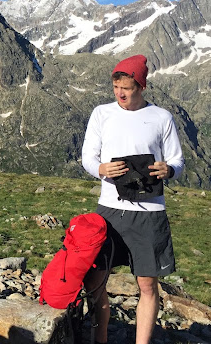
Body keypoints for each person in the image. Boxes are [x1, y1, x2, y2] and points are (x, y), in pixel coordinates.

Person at [81, 54, 185, 344]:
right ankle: (100, 339)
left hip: (149, 212)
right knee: (95, 280)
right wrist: (101, 169)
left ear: (141, 86)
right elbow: (88, 156)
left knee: (148, 284)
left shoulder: (161, 118)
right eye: (116, 88)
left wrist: (169, 170)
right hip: (110, 210)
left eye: (126, 88)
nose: (120, 94)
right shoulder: (102, 114)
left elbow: (177, 160)